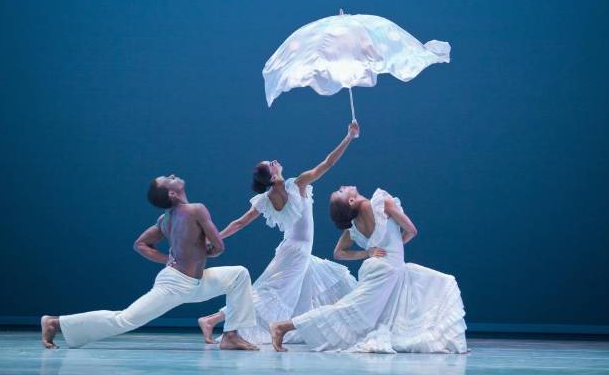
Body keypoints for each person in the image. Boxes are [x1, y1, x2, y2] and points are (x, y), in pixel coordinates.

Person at [40, 174, 258, 350]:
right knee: (125, 319)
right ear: (172, 193)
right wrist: (195, 254)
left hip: (196, 283)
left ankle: (231, 335)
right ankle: (55, 322)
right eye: (167, 179)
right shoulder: (195, 210)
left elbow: (140, 244)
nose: (172, 175)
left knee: (239, 274)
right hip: (174, 285)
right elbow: (219, 247)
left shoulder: (165, 219)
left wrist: (172, 258)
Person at [197, 122, 360, 344]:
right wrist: (349, 137)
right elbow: (328, 163)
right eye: (270, 165)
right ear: (273, 177)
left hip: (296, 251)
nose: (275, 162)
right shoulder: (296, 185)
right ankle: (212, 319)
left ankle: (306, 328)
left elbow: (239, 223)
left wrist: (214, 238)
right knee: (268, 293)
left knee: (306, 289)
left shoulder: (278, 193)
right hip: (295, 252)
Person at [270, 186, 467, 353]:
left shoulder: (354, 226)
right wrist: (392, 250)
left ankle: (448, 341)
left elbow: (339, 253)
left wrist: (369, 253)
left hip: (385, 269)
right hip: (387, 269)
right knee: (349, 310)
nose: (343, 186)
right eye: (341, 191)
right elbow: (412, 231)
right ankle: (282, 326)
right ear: (351, 200)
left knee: (438, 283)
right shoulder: (382, 203)